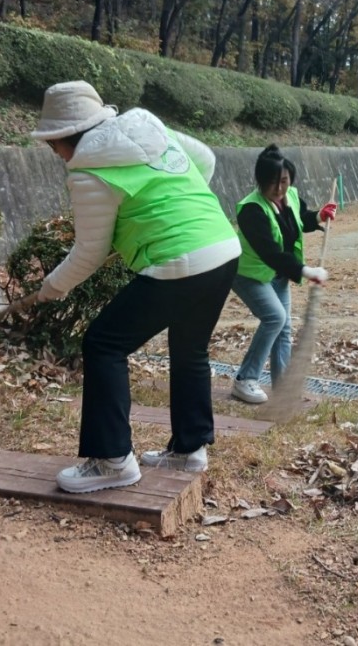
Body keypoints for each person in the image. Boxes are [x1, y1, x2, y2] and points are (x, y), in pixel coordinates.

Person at [32, 80, 241, 493]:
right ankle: (189, 448)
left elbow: (88, 253)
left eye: (52, 144)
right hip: (222, 246)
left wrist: (51, 288)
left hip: (179, 260)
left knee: (104, 344)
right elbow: (206, 159)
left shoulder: (88, 170)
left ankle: (112, 460)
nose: (54, 153)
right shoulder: (147, 125)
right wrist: (177, 205)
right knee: (189, 348)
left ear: (63, 136)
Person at [230, 144, 336, 404]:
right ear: (260, 181)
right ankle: (245, 380)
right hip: (248, 274)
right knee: (275, 318)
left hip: (277, 275)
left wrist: (319, 217)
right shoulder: (251, 209)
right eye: (272, 183)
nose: (279, 189)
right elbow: (271, 253)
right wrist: (307, 271)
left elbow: (300, 220)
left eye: (284, 181)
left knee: (284, 328)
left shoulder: (291, 197)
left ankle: (284, 388)